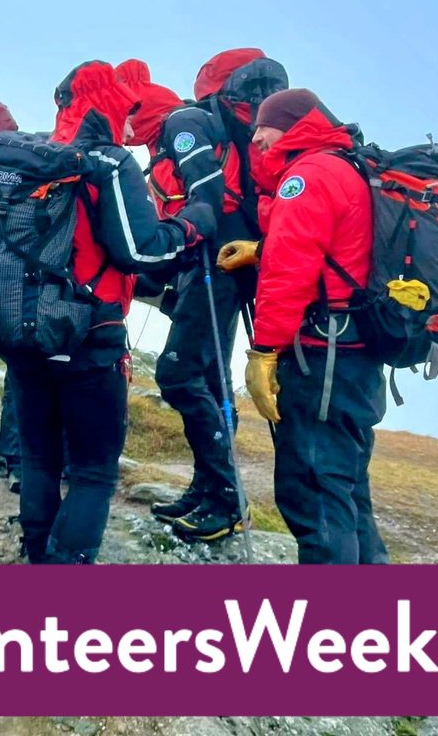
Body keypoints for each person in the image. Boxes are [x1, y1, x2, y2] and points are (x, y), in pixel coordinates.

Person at [5, 61, 214, 564]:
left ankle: (37, 556)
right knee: (94, 472)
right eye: (127, 108)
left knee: (37, 458)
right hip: (90, 333)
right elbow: (138, 252)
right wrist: (191, 225)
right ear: (109, 104)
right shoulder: (109, 161)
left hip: (25, 330)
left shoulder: (32, 156)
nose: (131, 122)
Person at [225, 87, 387, 565]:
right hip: (356, 354)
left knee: (313, 489)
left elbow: (289, 272)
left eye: (265, 127)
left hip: (323, 354)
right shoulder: (345, 166)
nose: (255, 137)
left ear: (294, 125)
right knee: (347, 488)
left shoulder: (308, 175)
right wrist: (261, 247)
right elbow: (332, 246)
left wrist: (264, 352)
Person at [145, 49, 287, 542]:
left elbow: (203, 190)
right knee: (210, 375)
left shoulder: (186, 122)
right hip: (246, 254)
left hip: (214, 258)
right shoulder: (240, 129)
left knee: (180, 372)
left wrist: (192, 230)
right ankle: (207, 490)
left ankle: (226, 498)